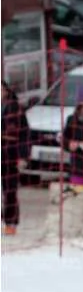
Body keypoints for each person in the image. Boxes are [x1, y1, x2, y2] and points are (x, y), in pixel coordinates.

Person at [2, 85, 26, 235]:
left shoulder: (15, 109)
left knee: (10, 190)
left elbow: (24, 134)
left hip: (8, 154)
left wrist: (23, 156)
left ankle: (10, 222)